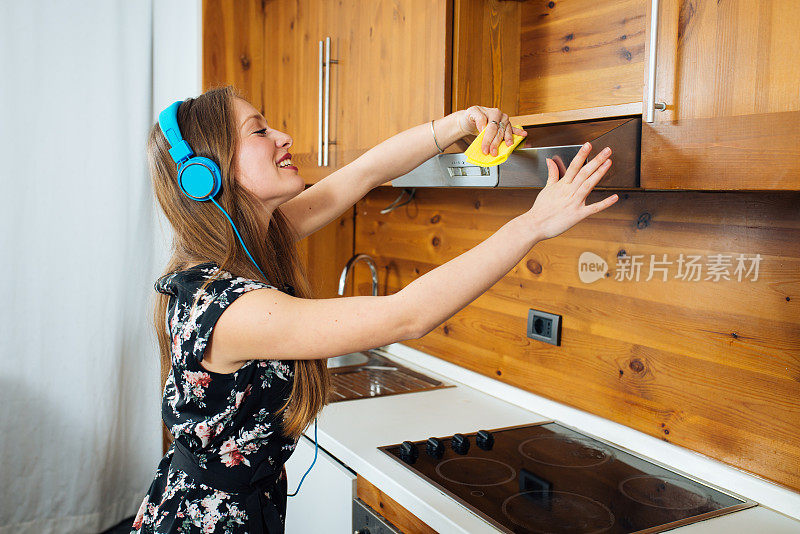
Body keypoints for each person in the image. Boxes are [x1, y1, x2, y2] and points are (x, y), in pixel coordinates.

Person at [132, 85, 617, 534]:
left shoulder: (251, 243)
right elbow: (407, 315)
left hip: (234, 504)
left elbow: (365, 172)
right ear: (206, 172)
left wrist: (457, 124)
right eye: (259, 131)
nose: (284, 136)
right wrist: (533, 223)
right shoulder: (231, 309)